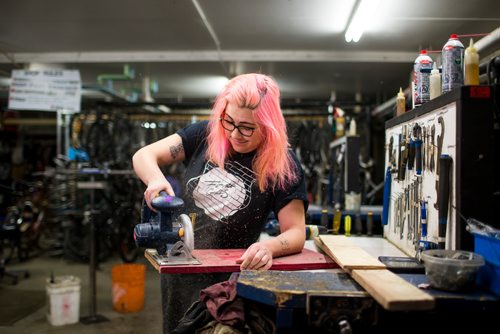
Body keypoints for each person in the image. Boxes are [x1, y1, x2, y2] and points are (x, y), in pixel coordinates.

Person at [132, 73, 308, 333]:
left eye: (247, 127)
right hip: (181, 270)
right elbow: (144, 155)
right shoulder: (205, 134)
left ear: (268, 125)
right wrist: (156, 180)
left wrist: (269, 248)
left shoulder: (283, 165)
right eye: (229, 121)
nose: (235, 134)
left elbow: (296, 232)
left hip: (230, 282)